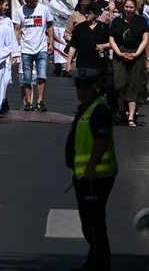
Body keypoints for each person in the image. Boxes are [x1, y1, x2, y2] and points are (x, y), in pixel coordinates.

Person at [66, 68, 118, 271]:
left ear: (96, 88)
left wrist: (90, 168)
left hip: (96, 176)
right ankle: (95, 261)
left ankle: (99, 264)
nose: (82, 92)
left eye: (86, 88)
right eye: (79, 88)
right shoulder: (86, 108)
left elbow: (101, 140)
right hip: (85, 176)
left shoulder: (99, 109)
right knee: (90, 222)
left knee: (93, 223)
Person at [108, 0, 148, 127]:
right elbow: (112, 38)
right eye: (126, 7)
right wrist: (118, 53)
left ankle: (131, 116)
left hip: (136, 52)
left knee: (133, 86)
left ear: (135, 8)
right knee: (119, 83)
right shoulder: (116, 21)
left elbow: (145, 39)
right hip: (120, 53)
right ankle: (121, 108)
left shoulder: (142, 21)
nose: (128, 9)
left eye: (131, 7)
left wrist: (136, 54)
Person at [13, 0, 54, 112]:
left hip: (41, 46)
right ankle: (28, 102)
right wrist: (16, 46)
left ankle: (40, 101)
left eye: (31, 1)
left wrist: (51, 42)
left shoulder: (44, 9)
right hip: (26, 48)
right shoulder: (20, 11)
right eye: (27, 2)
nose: (29, 4)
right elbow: (16, 29)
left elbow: (50, 25)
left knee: (41, 75)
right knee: (27, 77)